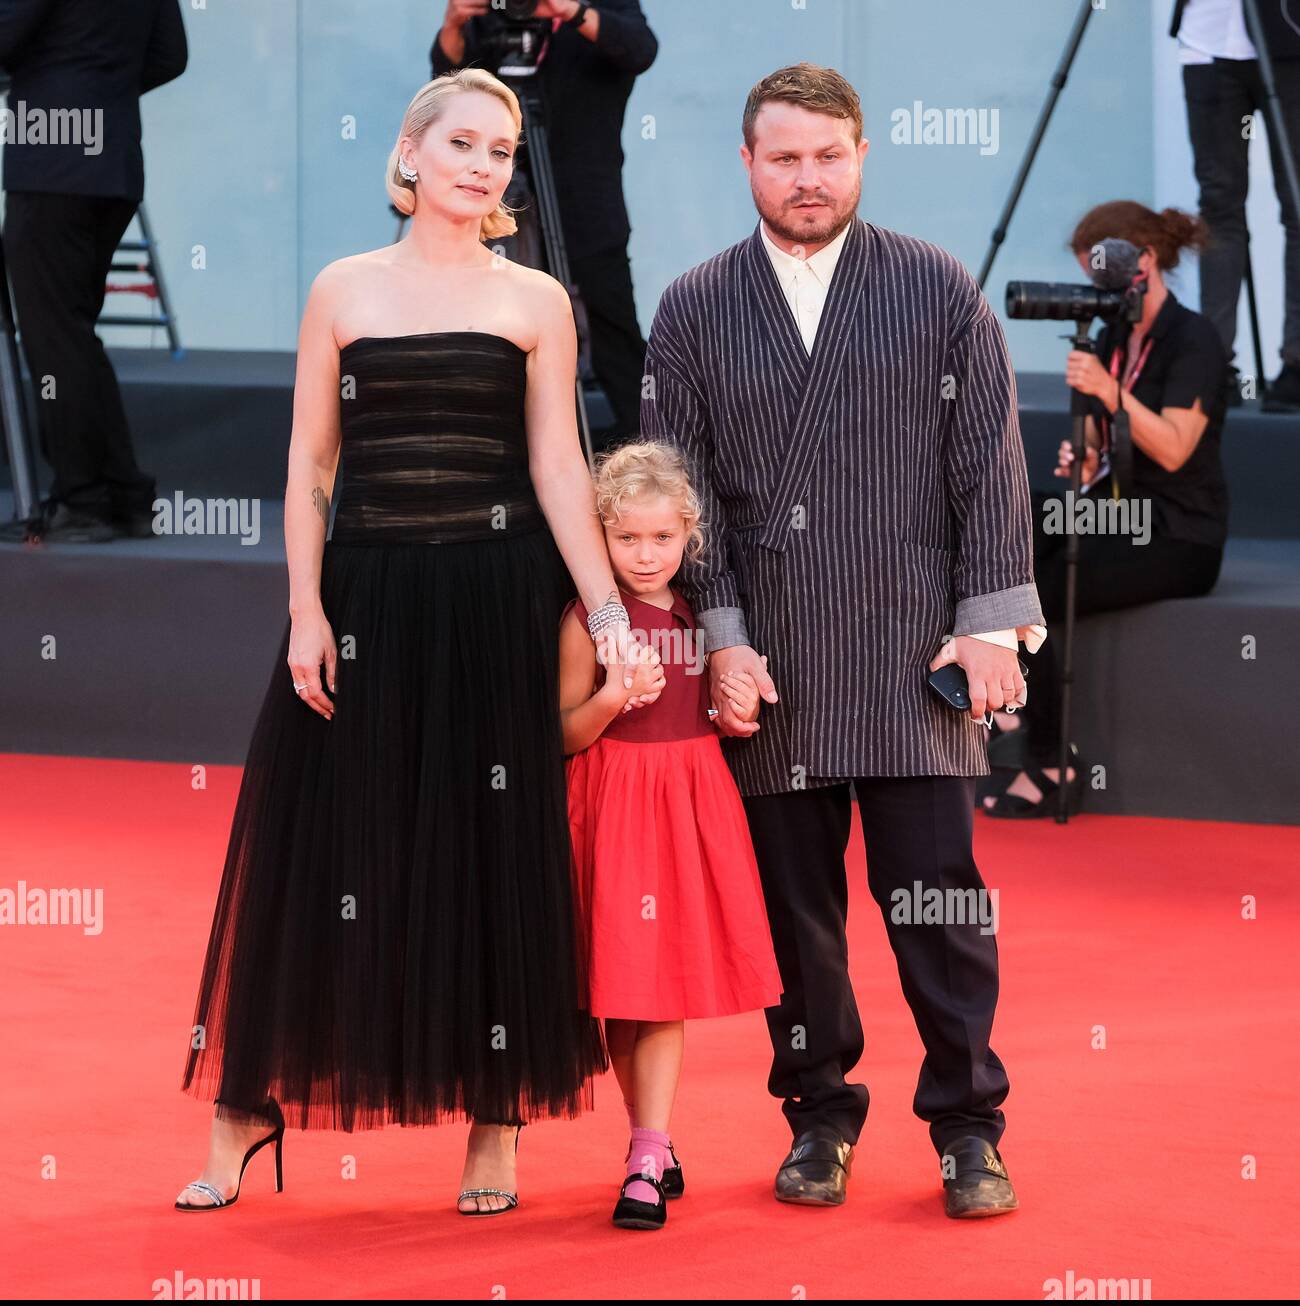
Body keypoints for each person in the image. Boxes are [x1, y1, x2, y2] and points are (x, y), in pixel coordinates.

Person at [175, 70, 654, 1217]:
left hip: (495, 598)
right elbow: (309, 466)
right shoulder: (341, 287)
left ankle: (496, 1120)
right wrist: (305, 607)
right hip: (368, 595)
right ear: (410, 153)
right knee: (323, 844)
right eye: (464, 144)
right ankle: (247, 1106)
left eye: (502, 150)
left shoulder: (536, 297)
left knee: (495, 848)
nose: (484, 164)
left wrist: (609, 611)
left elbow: (553, 468)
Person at [640, 63, 1045, 1219]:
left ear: (862, 154)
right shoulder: (693, 304)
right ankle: (818, 1115)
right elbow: (681, 488)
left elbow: (990, 468)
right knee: (794, 916)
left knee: (938, 903)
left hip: (916, 653)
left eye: (827, 156)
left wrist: (987, 627)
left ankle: (970, 1126)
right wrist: (717, 636)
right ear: (746, 164)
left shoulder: (933, 285)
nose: (806, 178)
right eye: (784, 158)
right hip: (773, 659)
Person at [559, 440, 783, 1229]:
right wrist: (613, 697)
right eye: (627, 538)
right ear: (601, 536)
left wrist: (731, 714)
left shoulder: (702, 614)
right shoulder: (587, 619)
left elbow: (714, 711)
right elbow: (562, 734)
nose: (646, 555)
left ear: (688, 535)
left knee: (661, 993)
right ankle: (648, 1142)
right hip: (614, 807)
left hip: (690, 807)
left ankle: (647, 1153)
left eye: (662, 538)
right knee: (621, 989)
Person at [985, 201, 1229, 816]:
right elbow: (1103, 443)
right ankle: (1005, 716)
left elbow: (1173, 449)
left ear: (1143, 261)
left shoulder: (1193, 337)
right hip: (1116, 510)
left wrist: (1107, 390)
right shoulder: (1114, 333)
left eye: (1104, 274)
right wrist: (1085, 453)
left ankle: (1047, 757)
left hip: (1177, 533)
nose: (1099, 289)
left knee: (1033, 586)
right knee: (1011, 522)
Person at [0, 0, 187, 542]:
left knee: (54, 338)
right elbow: (169, 56)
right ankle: (124, 494)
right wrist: (100, 89)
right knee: (73, 333)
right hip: (115, 164)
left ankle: (82, 497)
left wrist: (58, 82)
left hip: (52, 164)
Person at [432, 0, 656, 450]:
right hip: (501, 205)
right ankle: (522, 447)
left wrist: (569, 10)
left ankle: (647, 452)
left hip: (587, 204)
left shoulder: (597, 9)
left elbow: (640, 49)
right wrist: (454, 22)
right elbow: (446, 88)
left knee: (611, 327)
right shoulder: (494, 14)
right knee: (502, 324)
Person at [1171, 0, 1300, 408]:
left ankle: (1297, 362)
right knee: (1218, 208)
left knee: (1298, 206)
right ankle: (1215, 362)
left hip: (1289, 37)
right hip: (1206, 40)